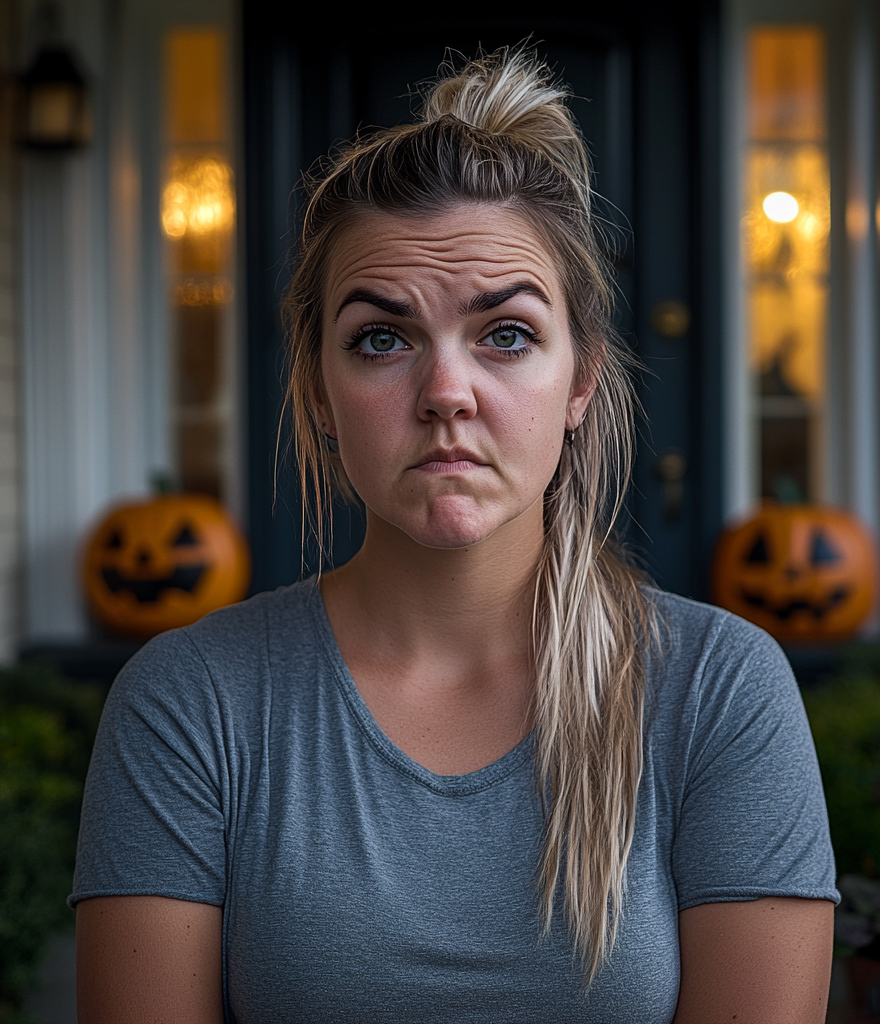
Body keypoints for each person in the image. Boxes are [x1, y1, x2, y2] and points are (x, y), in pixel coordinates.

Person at [72, 49, 839, 1023]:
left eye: (506, 334)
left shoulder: (717, 692)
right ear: (316, 390)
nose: (444, 393)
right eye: (380, 338)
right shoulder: (190, 705)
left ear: (582, 379)